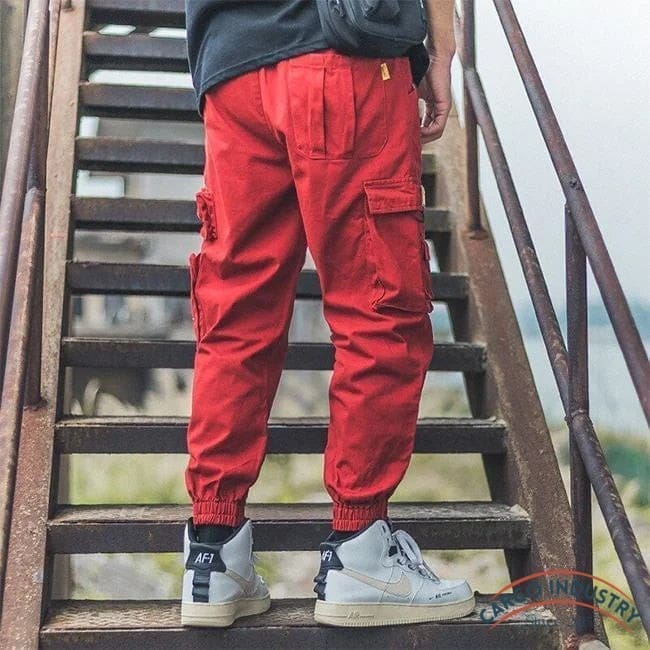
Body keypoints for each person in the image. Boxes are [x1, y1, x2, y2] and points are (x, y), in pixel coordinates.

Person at [181, 0, 474, 629]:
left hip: (231, 69)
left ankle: (213, 554)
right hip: (343, 51)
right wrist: (442, 42)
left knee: (233, 316)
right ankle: (360, 552)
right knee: (378, 307)